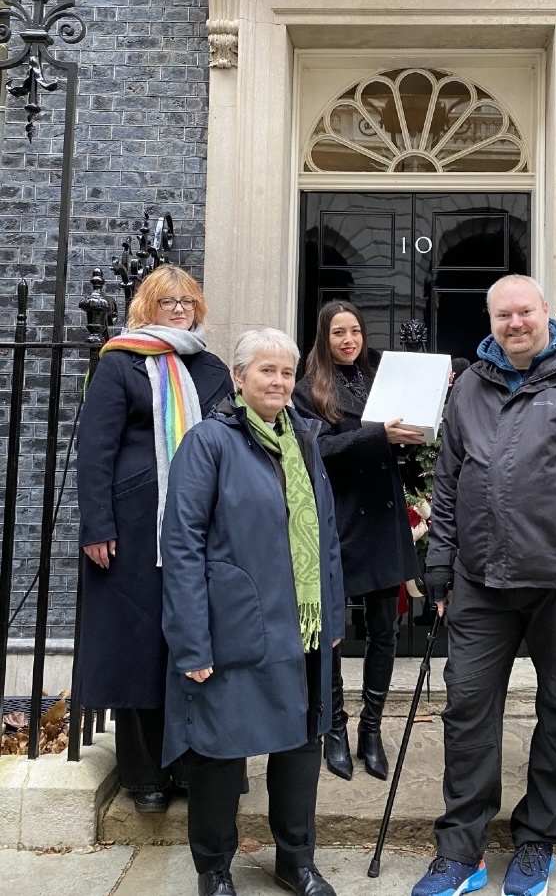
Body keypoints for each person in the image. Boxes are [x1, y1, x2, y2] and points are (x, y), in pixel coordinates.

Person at [411, 274, 556, 896]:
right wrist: (440, 561)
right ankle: (462, 849)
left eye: (524, 312)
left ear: (547, 313)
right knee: (465, 708)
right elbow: (449, 477)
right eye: (502, 315)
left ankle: (538, 836)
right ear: (489, 322)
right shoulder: (469, 389)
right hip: (481, 578)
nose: (515, 324)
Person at [161, 328, 346, 896]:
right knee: (220, 749)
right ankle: (213, 869)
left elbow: (327, 537)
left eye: (287, 372)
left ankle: (296, 861)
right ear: (239, 378)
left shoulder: (306, 440)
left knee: (299, 745)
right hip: (233, 624)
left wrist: (332, 619)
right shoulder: (209, 442)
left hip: (301, 627)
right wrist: (191, 640)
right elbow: (182, 542)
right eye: (266, 371)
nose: (279, 382)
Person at [74, 265, 232, 813]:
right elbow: (95, 448)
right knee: (141, 645)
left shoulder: (211, 368)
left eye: (188, 300)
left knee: (196, 641)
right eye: (168, 301)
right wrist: (97, 524)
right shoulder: (120, 363)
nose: (180, 308)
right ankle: (146, 776)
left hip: (202, 522)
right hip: (136, 527)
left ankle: (194, 765)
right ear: (147, 306)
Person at [292, 300, 423, 782]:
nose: (349, 340)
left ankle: (371, 729)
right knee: (329, 632)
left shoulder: (381, 376)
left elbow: (441, 374)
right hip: (340, 519)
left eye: (355, 332)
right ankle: (335, 729)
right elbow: (315, 450)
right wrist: (376, 436)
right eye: (338, 333)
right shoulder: (308, 391)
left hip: (383, 516)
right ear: (323, 338)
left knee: (384, 630)